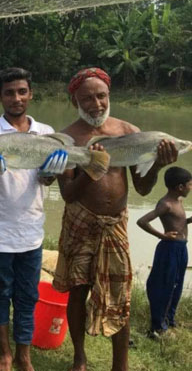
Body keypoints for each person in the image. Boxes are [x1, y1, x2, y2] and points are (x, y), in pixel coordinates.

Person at [53, 67, 179, 371]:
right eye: (87, 98)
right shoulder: (66, 138)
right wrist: (92, 170)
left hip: (115, 224)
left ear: (109, 95)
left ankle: (119, 365)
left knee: (120, 295)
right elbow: (68, 194)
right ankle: (79, 357)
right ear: (75, 102)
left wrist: (158, 166)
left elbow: (142, 188)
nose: (96, 104)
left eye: (101, 96)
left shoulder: (129, 132)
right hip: (80, 222)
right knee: (78, 290)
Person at [0, 68, 68, 371]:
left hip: (31, 230)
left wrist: (50, 174)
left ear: (30, 93)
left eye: (22, 91)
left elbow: (47, 182)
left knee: (28, 296)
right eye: (9, 92)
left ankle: (23, 355)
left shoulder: (46, 132)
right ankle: (4, 352)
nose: (16, 98)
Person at [136, 166, 191, 339]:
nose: (191, 188)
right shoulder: (166, 204)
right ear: (180, 187)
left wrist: (189, 220)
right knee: (164, 286)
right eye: (190, 184)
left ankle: (169, 320)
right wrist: (163, 236)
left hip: (181, 248)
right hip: (169, 249)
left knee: (177, 285)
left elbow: (179, 223)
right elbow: (142, 221)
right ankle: (158, 327)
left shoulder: (179, 202)